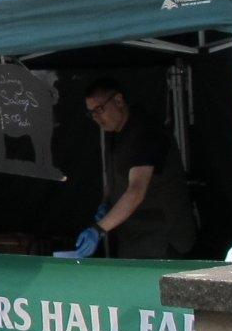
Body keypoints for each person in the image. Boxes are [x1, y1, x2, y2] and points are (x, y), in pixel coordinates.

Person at [72, 78, 199, 259]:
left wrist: (99, 229)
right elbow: (115, 177)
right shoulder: (115, 133)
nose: (96, 118)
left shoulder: (146, 133)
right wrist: (106, 202)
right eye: (91, 113)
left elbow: (136, 190)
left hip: (164, 239)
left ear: (118, 100)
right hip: (135, 237)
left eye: (99, 109)